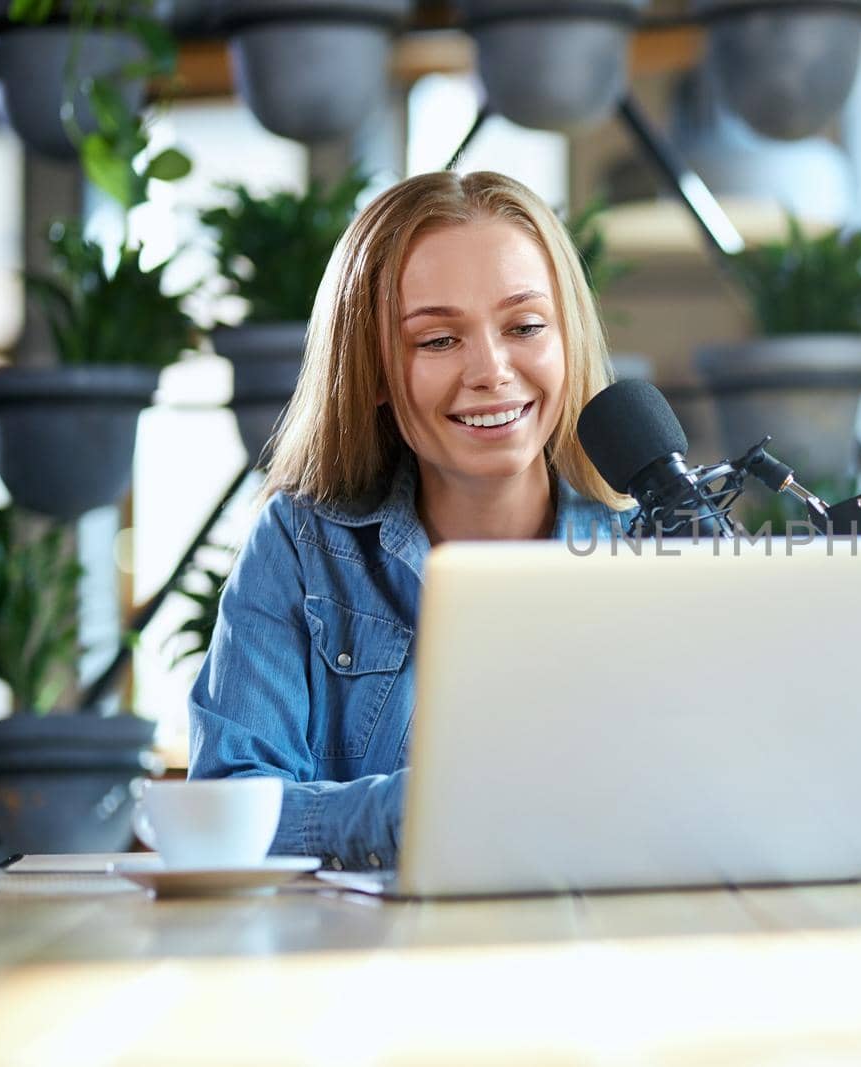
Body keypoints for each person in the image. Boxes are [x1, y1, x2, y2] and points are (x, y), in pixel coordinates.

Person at [188, 171, 634, 872]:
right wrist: (426, 809)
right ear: (370, 371)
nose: (491, 370)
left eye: (524, 326)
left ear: (568, 341)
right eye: (436, 340)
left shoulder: (650, 548)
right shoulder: (301, 546)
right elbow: (228, 810)